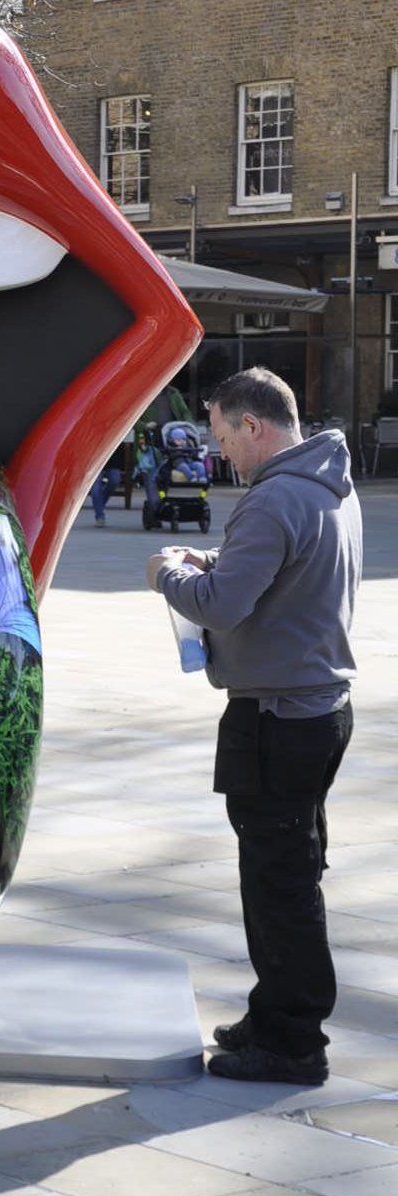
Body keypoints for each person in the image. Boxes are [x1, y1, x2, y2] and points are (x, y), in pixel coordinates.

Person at [147, 368, 362, 1084]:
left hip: (276, 717)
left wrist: (166, 575)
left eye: (222, 437)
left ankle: (293, 1042)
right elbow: (280, 574)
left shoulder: (273, 498)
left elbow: (221, 605)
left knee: (279, 885)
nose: (220, 455)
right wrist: (208, 560)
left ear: (252, 426)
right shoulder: (328, 482)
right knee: (289, 873)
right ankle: (275, 1014)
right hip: (317, 710)